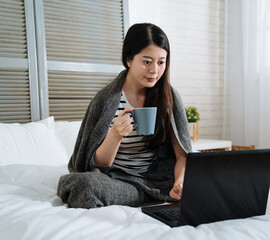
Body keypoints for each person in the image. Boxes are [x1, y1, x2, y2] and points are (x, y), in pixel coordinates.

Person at [57, 23, 192, 208]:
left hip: (156, 178)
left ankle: (152, 194)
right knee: (85, 185)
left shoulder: (168, 97)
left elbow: (182, 156)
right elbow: (98, 165)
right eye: (147, 61)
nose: (154, 70)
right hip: (115, 179)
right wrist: (115, 135)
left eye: (161, 62)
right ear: (129, 59)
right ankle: (148, 196)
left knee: (209, 176)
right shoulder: (106, 99)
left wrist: (180, 183)